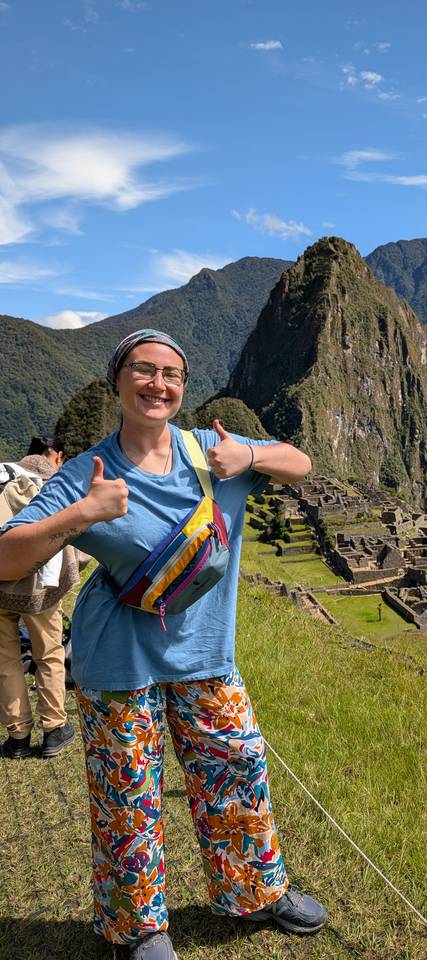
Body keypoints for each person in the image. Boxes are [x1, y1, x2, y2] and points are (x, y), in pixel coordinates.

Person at [0, 330, 327, 960]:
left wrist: (251, 460)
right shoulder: (86, 473)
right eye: (144, 371)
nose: (159, 384)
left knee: (237, 774)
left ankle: (255, 892)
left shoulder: (212, 452)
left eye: (171, 374)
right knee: (128, 794)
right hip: (121, 663)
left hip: (208, 657)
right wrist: (82, 515)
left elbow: (301, 462)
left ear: (183, 386)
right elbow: (7, 555)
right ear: (117, 381)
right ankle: (139, 927)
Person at [0, 435, 79, 759]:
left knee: (5, 659)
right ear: (57, 456)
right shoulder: (52, 481)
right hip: (38, 587)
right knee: (48, 653)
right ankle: (53, 729)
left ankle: (17, 736)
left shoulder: (4, 474)